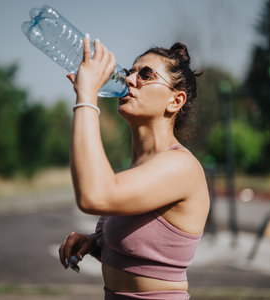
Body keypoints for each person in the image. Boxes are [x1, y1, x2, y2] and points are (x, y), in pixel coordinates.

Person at [59, 34, 209, 300]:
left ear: (175, 101)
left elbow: (94, 196)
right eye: (130, 72)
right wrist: (98, 245)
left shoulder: (181, 166)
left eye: (147, 74)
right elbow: (150, 257)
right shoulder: (138, 170)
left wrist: (86, 96)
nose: (129, 80)